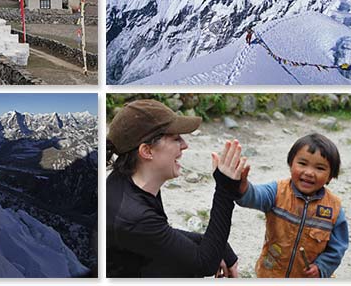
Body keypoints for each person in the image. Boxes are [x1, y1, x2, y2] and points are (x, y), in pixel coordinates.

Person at [106, 99, 248, 278]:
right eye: (175, 138)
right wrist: (225, 189)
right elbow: (204, 264)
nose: (185, 145)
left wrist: (218, 246)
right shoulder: (133, 216)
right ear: (147, 151)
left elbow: (159, 235)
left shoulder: (125, 180)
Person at [237, 133, 349, 278]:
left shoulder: (334, 208)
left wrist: (322, 267)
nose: (309, 172)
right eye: (302, 164)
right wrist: (243, 186)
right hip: (272, 274)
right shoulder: (277, 191)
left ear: (330, 175)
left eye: (320, 168)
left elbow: (338, 247)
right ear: (291, 164)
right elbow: (255, 196)